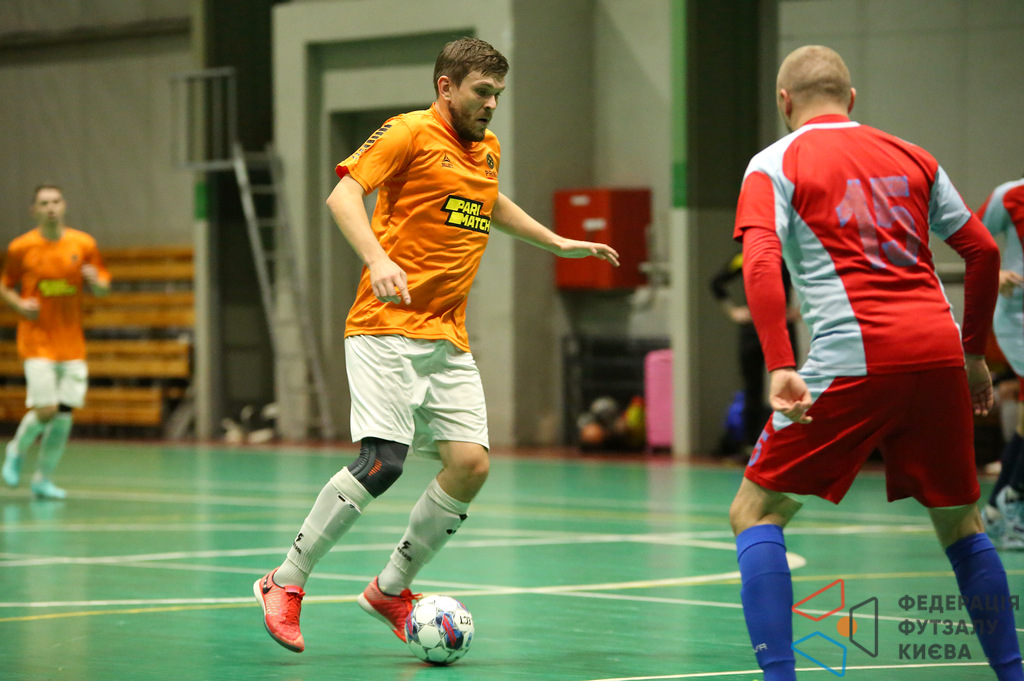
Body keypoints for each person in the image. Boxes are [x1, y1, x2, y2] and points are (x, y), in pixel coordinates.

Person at [253, 37, 620, 654]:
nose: (492, 104)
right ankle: (284, 580)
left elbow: (488, 202)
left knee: (471, 465)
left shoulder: (486, 149)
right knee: (382, 463)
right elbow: (343, 195)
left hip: (447, 336)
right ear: (445, 86)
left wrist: (557, 242)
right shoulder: (407, 133)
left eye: (498, 94)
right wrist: (377, 258)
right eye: (482, 92)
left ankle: (390, 590)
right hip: (384, 326)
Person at [728, 45, 1023, 681]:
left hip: (853, 355)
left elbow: (761, 261)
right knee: (962, 523)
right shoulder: (914, 156)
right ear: (852, 98)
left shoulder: (773, 162)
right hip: (939, 352)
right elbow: (982, 251)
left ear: (784, 101)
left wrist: (780, 361)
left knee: (755, 512)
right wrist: (973, 354)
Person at [1, 185, 110, 500]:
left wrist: (97, 283)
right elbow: (5, 285)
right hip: (36, 341)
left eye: (56, 201)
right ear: (34, 210)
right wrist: (19, 304)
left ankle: (43, 479)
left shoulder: (83, 244)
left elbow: (103, 286)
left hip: (72, 345)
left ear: (64, 206)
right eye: (44, 203)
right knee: (46, 409)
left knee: (63, 418)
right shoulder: (21, 247)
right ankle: (16, 450)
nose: (51, 207)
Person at [710, 252, 799, 456]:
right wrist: (733, 311)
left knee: (788, 386)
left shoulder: (788, 255)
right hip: (752, 330)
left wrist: (799, 310)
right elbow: (716, 283)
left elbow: (812, 283)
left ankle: (787, 445)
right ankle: (751, 446)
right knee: (752, 388)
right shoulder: (744, 257)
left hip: (781, 328)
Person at [977, 175, 1024, 548]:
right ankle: (1013, 505)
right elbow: (966, 240)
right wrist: (993, 274)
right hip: (1018, 319)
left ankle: (997, 508)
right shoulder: (1010, 196)